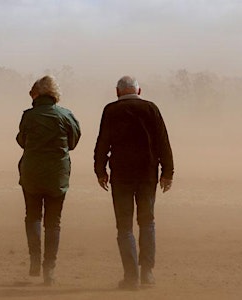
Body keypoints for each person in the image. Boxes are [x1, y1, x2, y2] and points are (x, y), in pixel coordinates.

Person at [93, 76, 174, 290]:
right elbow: (163, 141)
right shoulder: (151, 109)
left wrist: (100, 170)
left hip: (121, 175)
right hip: (147, 174)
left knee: (124, 226)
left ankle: (131, 276)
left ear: (117, 92)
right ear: (139, 90)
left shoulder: (111, 111)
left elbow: (103, 141)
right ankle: (147, 273)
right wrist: (168, 172)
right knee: (147, 222)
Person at [16, 75, 81, 286]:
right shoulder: (66, 115)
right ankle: (49, 268)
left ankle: (35, 259)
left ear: (36, 94)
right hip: (57, 176)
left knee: (33, 217)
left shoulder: (29, 116)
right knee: (53, 223)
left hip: (31, 173)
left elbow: (21, 140)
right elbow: (73, 141)